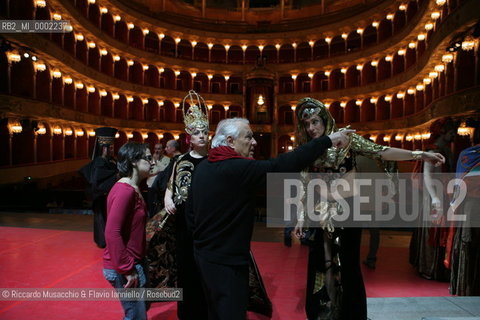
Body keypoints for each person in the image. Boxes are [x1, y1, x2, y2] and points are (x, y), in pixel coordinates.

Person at [292, 98, 445, 320]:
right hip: (320, 212)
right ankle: (324, 314)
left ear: (325, 119)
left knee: (348, 264)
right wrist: (300, 217)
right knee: (320, 264)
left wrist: (419, 155)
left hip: (348, 211)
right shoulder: (309, 149)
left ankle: (352, 315)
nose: (312, 128)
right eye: (307, 124)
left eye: (315, 122)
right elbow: (303, 185)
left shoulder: (347, 139)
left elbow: (381, 151)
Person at [187, 117, 354, 320]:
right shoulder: (236, 168)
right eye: (248, 137)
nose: (254, 142)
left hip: (204, 256)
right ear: (230, 141)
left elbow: (191, 214)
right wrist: (326, 140)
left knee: (215, 311)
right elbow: (281, 165)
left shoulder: (204, 166)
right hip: (227, 261)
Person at [102, 142, 154, 320]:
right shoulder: (125, 191)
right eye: (148, 158)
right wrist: (126, 269)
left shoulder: (135, 188)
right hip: (125, 265)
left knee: (141, 311)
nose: (152, 162)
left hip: (135, 261)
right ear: (133, 161)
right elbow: (112, 232)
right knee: (135, 316)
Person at [409, 117, 458, 281]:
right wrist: (434, 197)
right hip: (433, 196)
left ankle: (439, 268)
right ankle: (428, 267)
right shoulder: (432, 151)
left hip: (445, 194)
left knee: (441, 230)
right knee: (432, 231)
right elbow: (427, 176)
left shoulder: (446, 149)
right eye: (452, 132)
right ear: (443, 132)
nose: (454, 136)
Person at [449, 124, 480, 296]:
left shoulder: (466, 155)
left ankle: (467, 286)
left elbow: (459, 184)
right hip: (472, 205)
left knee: (468, 244)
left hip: (470, 206)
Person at [79, 127, 118, 248]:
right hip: (101, 195)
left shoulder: (110, 160)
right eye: (110, 148)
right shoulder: (99, 162)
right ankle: (103, 241)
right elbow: (98, 179)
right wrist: (116, 175)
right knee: (102, 219)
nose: (112, 150)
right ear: (104, 148)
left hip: (106, 194)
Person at [146, 143, 170, 217]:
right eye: (155, 149)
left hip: (161, 187)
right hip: (150, 186)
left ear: (162, 150)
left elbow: (164, 171)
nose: (157, 151)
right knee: (151, 207)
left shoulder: (167, 159)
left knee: (160, 207)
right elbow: (148, 172)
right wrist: (157, 171)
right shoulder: (149, 159)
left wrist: (157, 162)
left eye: (159, 149)